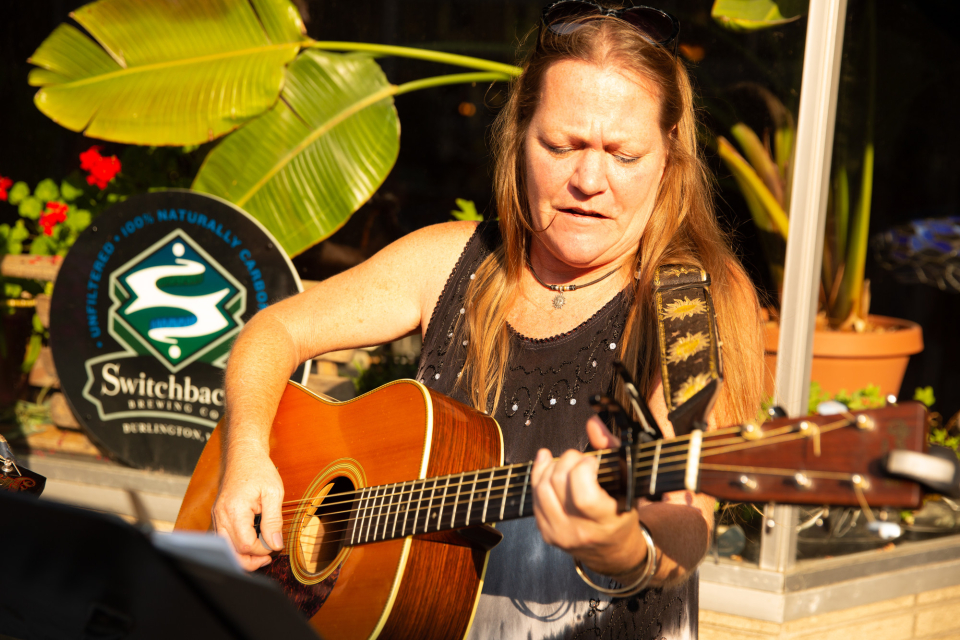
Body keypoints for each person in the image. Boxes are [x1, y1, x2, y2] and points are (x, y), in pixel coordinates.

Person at [213, 2, 764, 638]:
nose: (589, 178)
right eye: (562, 145)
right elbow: (273, 331)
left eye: (625, 154)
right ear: (519, 137)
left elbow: (685, 523)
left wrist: (619, 545)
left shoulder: (692, 301)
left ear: (668, 158)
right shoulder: (451, 261)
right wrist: (247, 451)